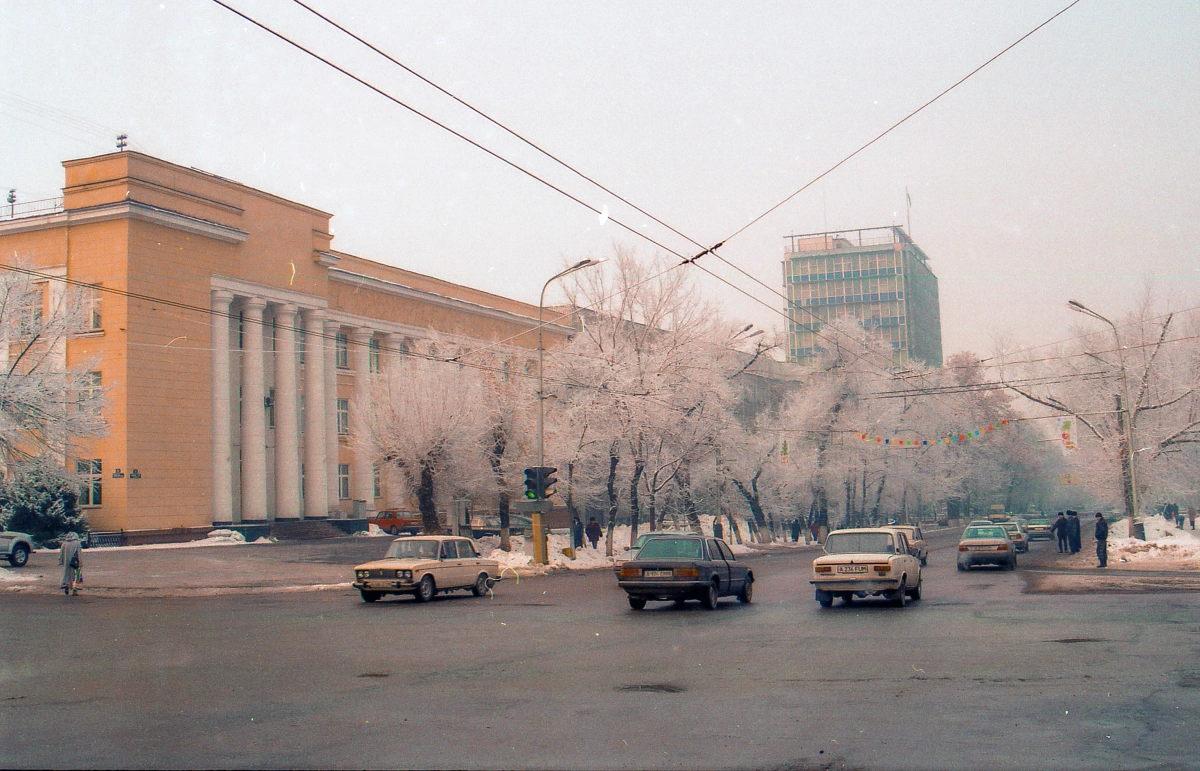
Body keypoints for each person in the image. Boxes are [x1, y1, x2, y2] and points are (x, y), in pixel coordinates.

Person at [58, 532, 82, 596]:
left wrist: (61, 561)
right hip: (75, 562)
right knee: (76, 575)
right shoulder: (77, 543)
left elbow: (61, 553)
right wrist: (80, 562)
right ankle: (75, 589)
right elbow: (78, 553)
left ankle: (66, 586)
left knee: (66, 575)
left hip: (67, 562)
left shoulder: (65, 543)